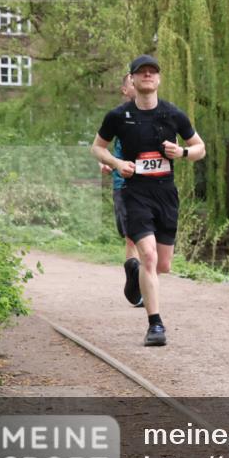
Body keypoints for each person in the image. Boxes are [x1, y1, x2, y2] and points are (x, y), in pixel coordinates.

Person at [90, 55, 206, 346]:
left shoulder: (172, 114)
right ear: (132, 79)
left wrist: (182, 153)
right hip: (135, 193)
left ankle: (135, 274)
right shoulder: (118, 116)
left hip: (165, 194)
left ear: (159, 79)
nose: (147, 75)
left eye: (152, 72)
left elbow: (200, 148)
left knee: (163, 265)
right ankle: (155, 325)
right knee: (149, 257)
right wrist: (117, 163)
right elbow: (97, 148)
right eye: (141, 72)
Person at [98, 73, 143, 307]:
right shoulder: (117, 117)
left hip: (151, 185)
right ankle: (137, 286)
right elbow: (101, 147)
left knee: (150, 238)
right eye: (132, 82)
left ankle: (140, 280)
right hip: (124, 185)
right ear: (125, 90)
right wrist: (106, 163)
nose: (138, 83)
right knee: (133, 238)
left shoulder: (157, 113)